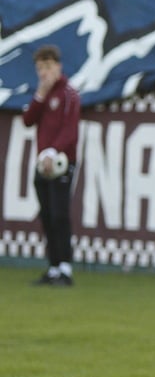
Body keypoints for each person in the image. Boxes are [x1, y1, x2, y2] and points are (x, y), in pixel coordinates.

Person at [23, 44, 80, 287]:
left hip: (61, 163)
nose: (44, 73)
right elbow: (28, 120)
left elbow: (70, 130)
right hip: (41, 165)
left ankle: (66, 268)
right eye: (39, 68)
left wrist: (52, 151)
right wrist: (39, 95)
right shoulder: (43, 95)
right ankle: (53, 267)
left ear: (58, 67)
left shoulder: (69, 94)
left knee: (59, 215)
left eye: (47, 67)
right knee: (46, 215)